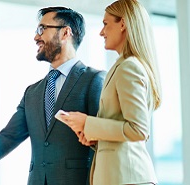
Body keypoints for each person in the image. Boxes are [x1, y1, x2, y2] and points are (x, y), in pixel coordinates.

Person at [0, 6, 106, 185]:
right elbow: (8, 138)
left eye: (42, 29)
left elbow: (103, 139)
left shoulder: (93, 79)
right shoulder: (33, 92)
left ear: (66, 33)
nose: (36, 37)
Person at [60, 0, 160, 184]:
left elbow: (138, 130)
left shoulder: (129, 67)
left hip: (129, 179)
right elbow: (125, 130)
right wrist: (94, 135)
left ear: (122, 24)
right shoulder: (124, 66)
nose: (101, 32)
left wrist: (87, 122)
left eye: (106, 24)